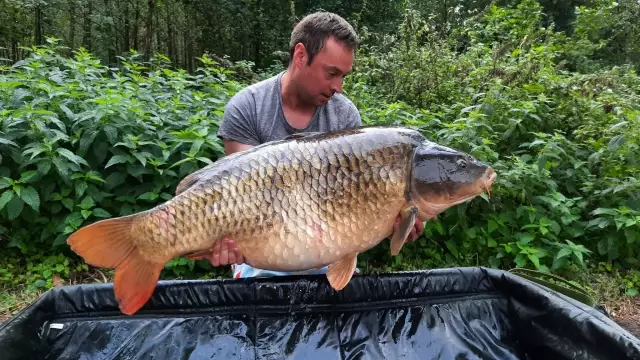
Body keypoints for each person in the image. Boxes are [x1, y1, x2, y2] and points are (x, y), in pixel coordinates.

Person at [208, 11, 424, 278]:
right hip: (262, 249)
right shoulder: (248, 107)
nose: (338, 87)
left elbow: (352, 205)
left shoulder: (345, 116)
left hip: (329, 248)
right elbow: (245, 199)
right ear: (300, 55)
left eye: (343, 76)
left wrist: (392, 219)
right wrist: (227, 241)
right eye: (331, 73)